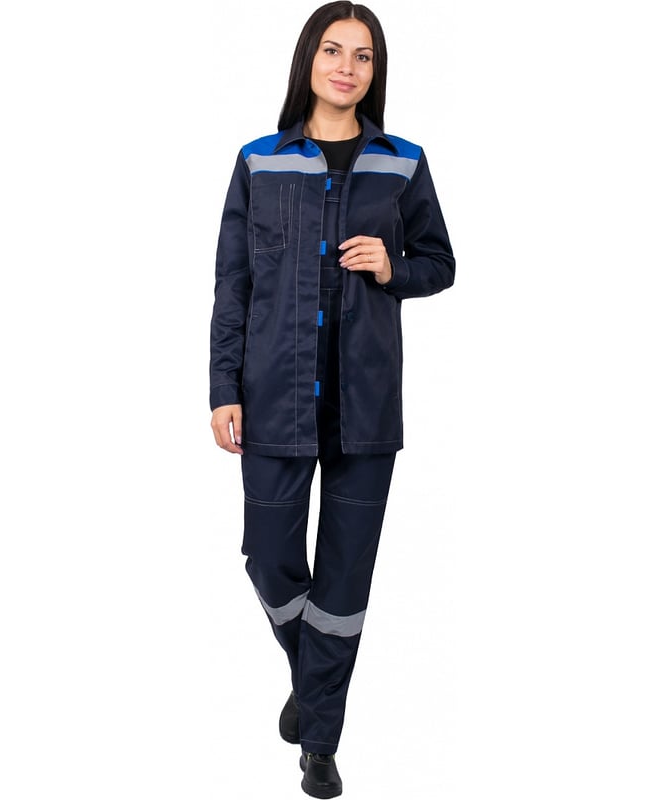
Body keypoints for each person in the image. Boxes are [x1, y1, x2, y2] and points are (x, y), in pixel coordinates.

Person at [208, 2, 455, 796]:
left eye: (363, 55)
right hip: (271, 398)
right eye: (333, 50)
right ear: (308, 61)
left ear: (375, 72)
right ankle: (315, 677)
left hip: (366, 404)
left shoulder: (402, 162)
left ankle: (319, 741)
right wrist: (221, 389)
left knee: (345, 581)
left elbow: (441, 262)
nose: (347, 67)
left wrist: (393, 266)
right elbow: (233, 286)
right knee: (267, 556)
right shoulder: (259, 161)